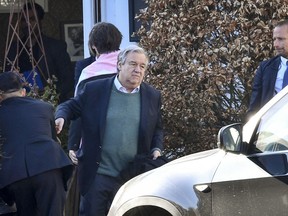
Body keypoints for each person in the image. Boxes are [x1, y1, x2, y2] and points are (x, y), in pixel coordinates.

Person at [55, 45, 164, 216]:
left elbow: (157, 127)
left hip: (132, 176)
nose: (138, 70)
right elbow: (70, 106)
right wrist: (61, 117)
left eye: (142, 66)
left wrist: (157, 148)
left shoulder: (152, 95)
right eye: (133, 64)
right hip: (98, 173)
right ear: (119, 65)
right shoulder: (95, 89)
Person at [0, 71, 73, 216]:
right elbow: (53, 138)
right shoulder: (44, 107)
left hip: (16, 174)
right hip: (48, 165)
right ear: (23, 92)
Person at [68, 22, 123, 165]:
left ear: (93, 46)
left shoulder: (88, 74)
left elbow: (78, 109)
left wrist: (73, 145)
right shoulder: (131, 71)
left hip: (95, 144)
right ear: (119, 41)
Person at [6, 2, 74, 103]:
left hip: (48, 105)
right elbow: (7, 78)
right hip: (21, 104)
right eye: (24, 20)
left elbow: (68, 80)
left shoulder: (55, 47)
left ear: (40, 21)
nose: (27, 24)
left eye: (32, 19)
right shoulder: (13, 48)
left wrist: (49, 96)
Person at [247, 19, 288, 118]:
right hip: (271, 129)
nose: (275, 44)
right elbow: (254, 107)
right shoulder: (265, 68)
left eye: (281, 39)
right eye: (274, 39)